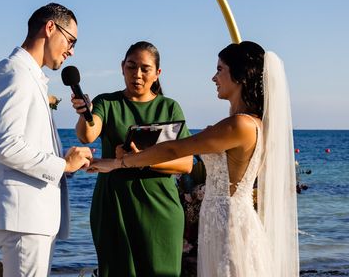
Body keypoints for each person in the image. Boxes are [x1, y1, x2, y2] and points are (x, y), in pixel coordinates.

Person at [88, 41, 299, 276]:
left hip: (228, 223)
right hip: (219, 221)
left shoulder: (240, 124)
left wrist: (119, 163)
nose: (213, 77)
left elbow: (175, 150)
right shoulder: (250, 123)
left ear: (239, 76)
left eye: (220, 70)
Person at [0, 3, 93, 277]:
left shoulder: (27, 74)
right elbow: (6, 145)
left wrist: (69, 166)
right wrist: (62, 165)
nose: (72, 50)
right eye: (71, 40)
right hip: (24, 217)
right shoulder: (15, 73)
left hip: (32, 217)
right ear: (50, 27)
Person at [71, 41, 193, 277]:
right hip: (113, 205)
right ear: (122, 67)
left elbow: (186, 164)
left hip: (161, 209)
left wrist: (139, 159)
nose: (137, 74)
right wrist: (84, 113)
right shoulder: (107, 103)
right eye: (131, 66)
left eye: (145, 68)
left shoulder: (169, 107)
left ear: (157, 73)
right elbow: (87, 135)